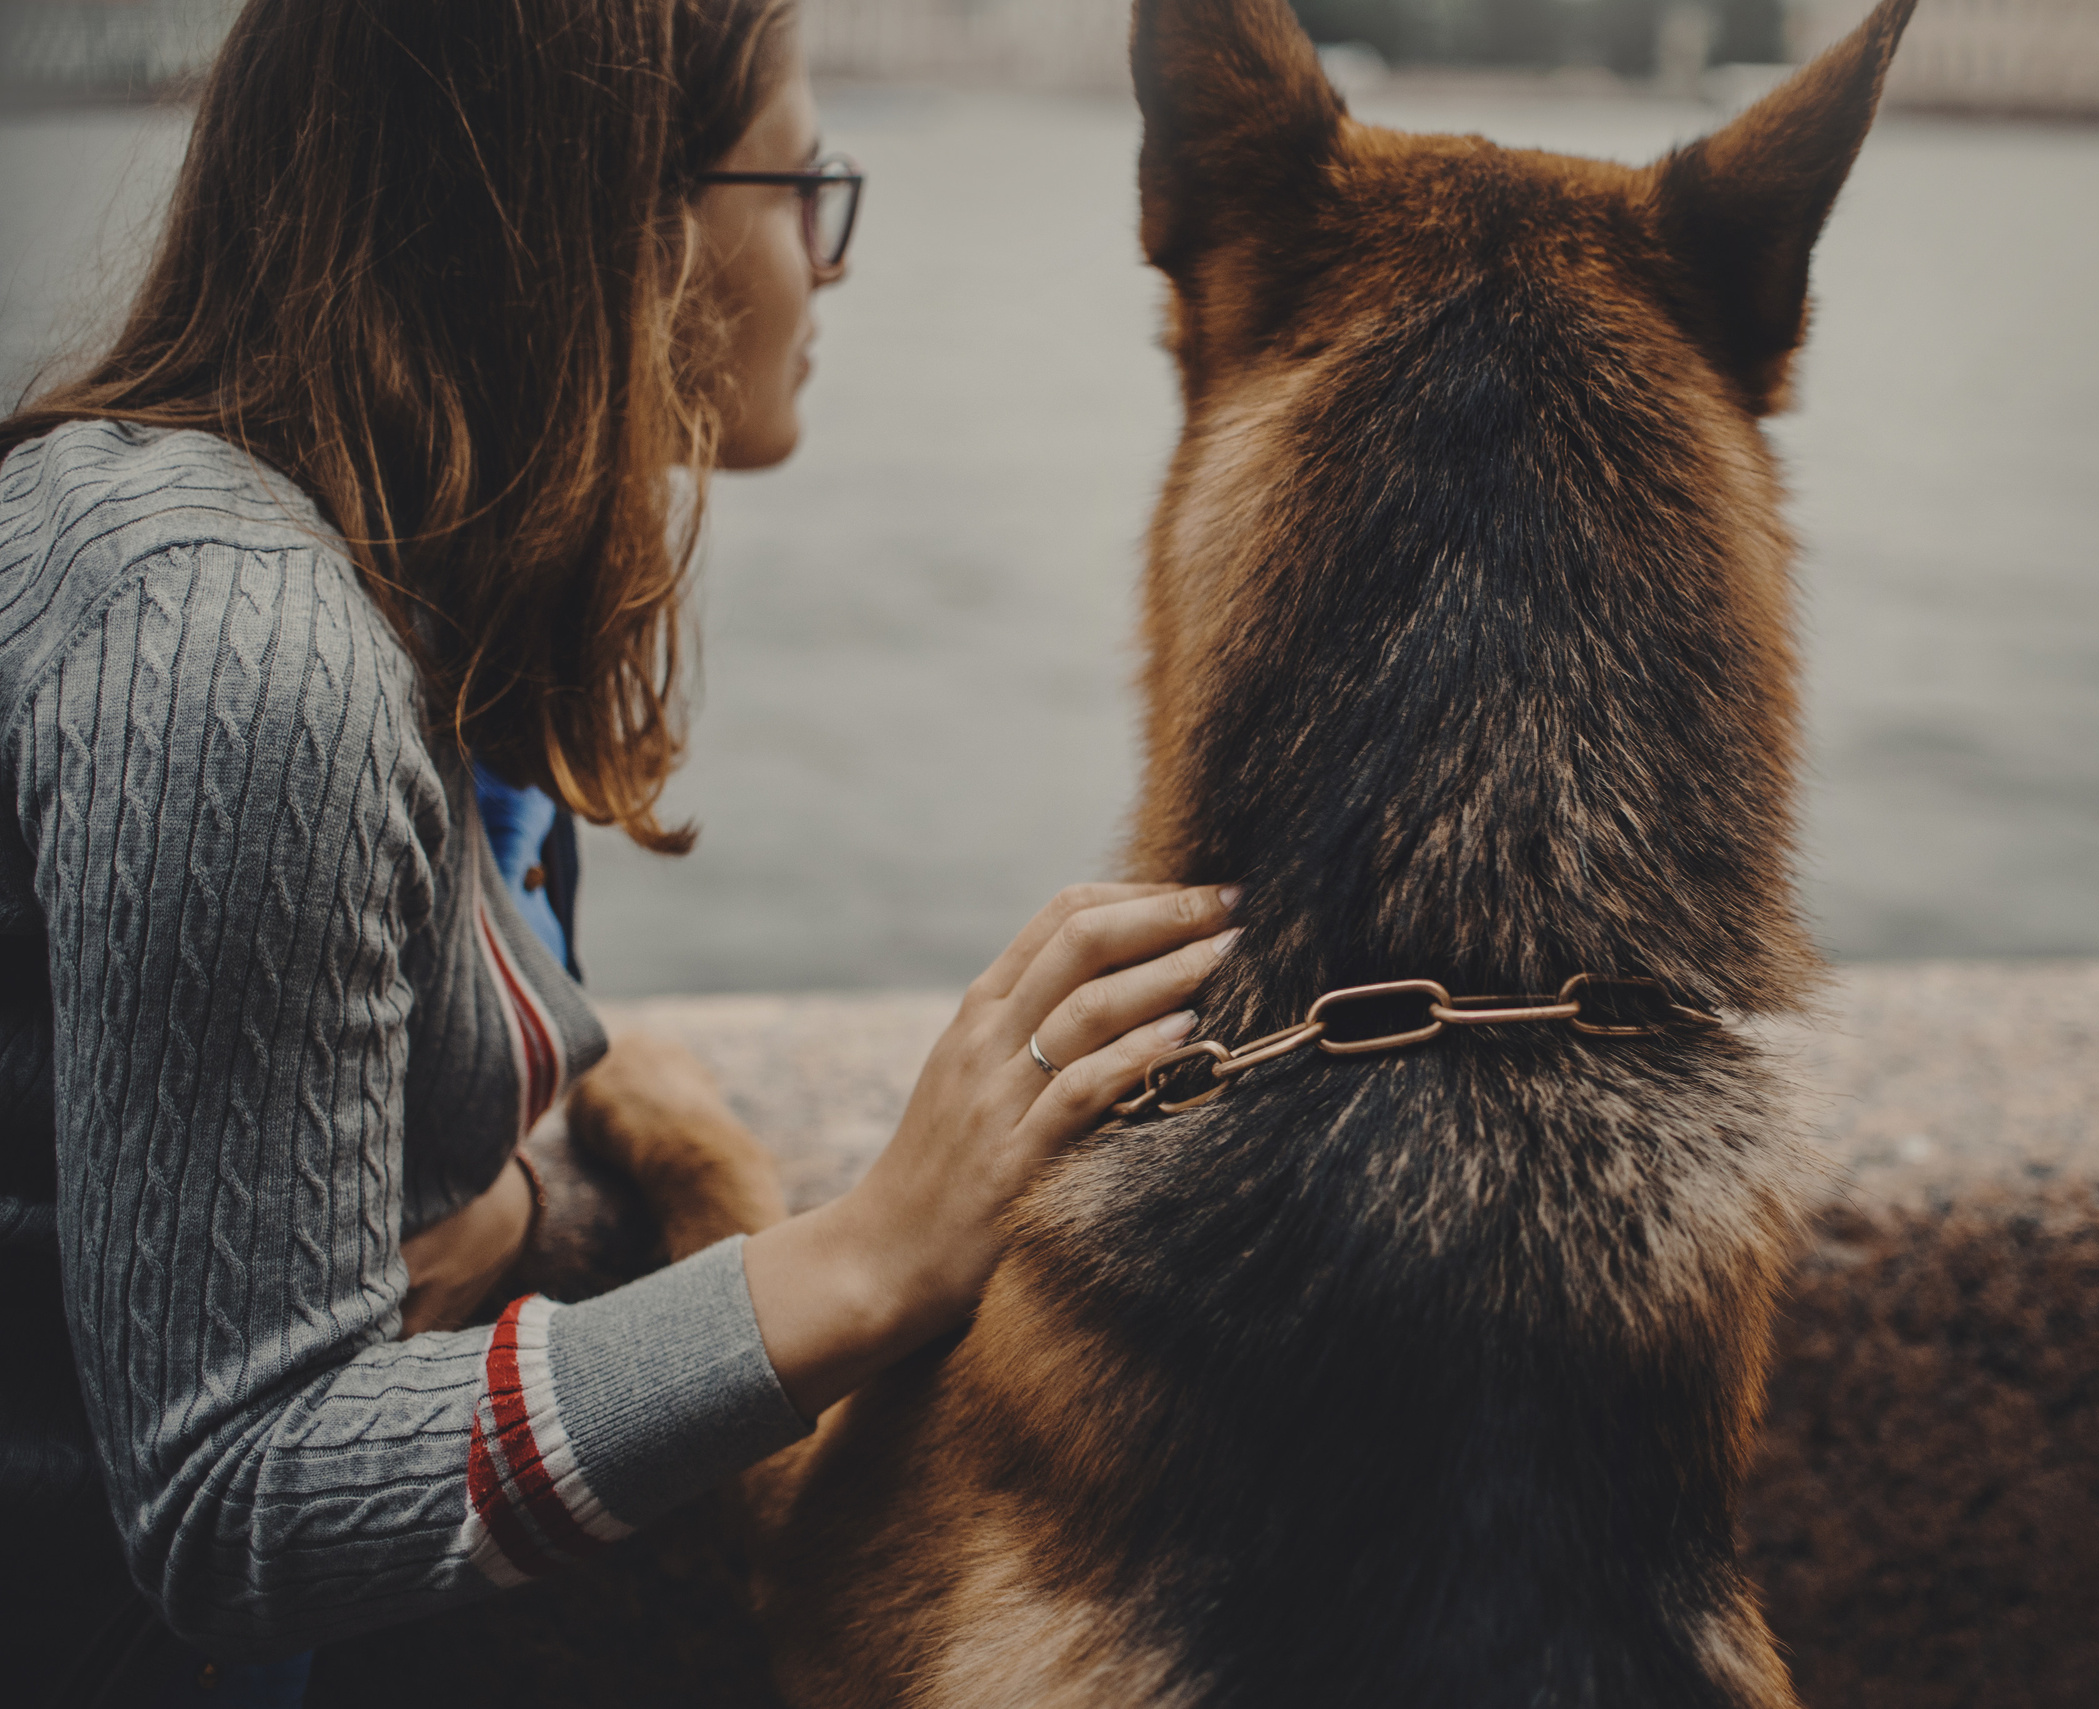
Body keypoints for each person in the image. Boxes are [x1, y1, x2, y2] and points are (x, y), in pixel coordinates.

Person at [0, 4, 1229, 1704]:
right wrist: (863, 1257)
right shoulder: (239, 646)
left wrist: (499, 1201)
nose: (831, 259)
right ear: (620, 221)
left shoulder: (378, 587)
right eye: (804, 183)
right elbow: (237, 1505)